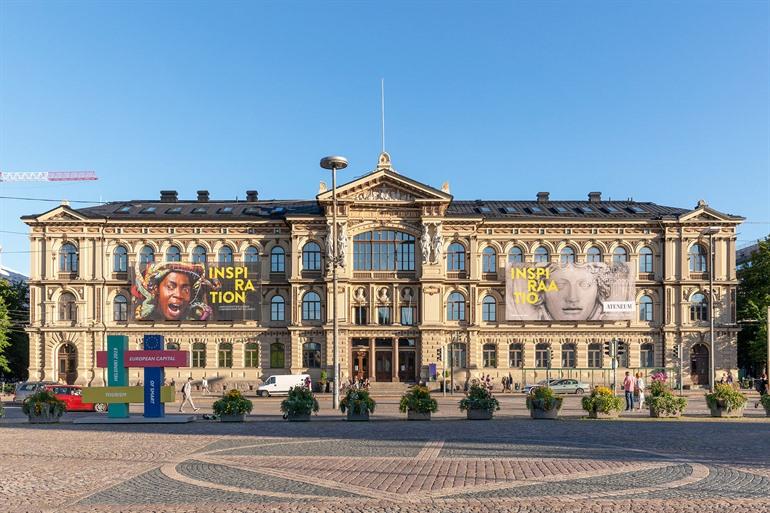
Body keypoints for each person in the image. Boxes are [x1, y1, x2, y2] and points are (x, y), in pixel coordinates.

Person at [133, 262, 218, 321]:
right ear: (156, 289)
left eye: (186, 289)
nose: (179, 295)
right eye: (170, 287)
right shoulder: (142, 315)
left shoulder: (197, 315)